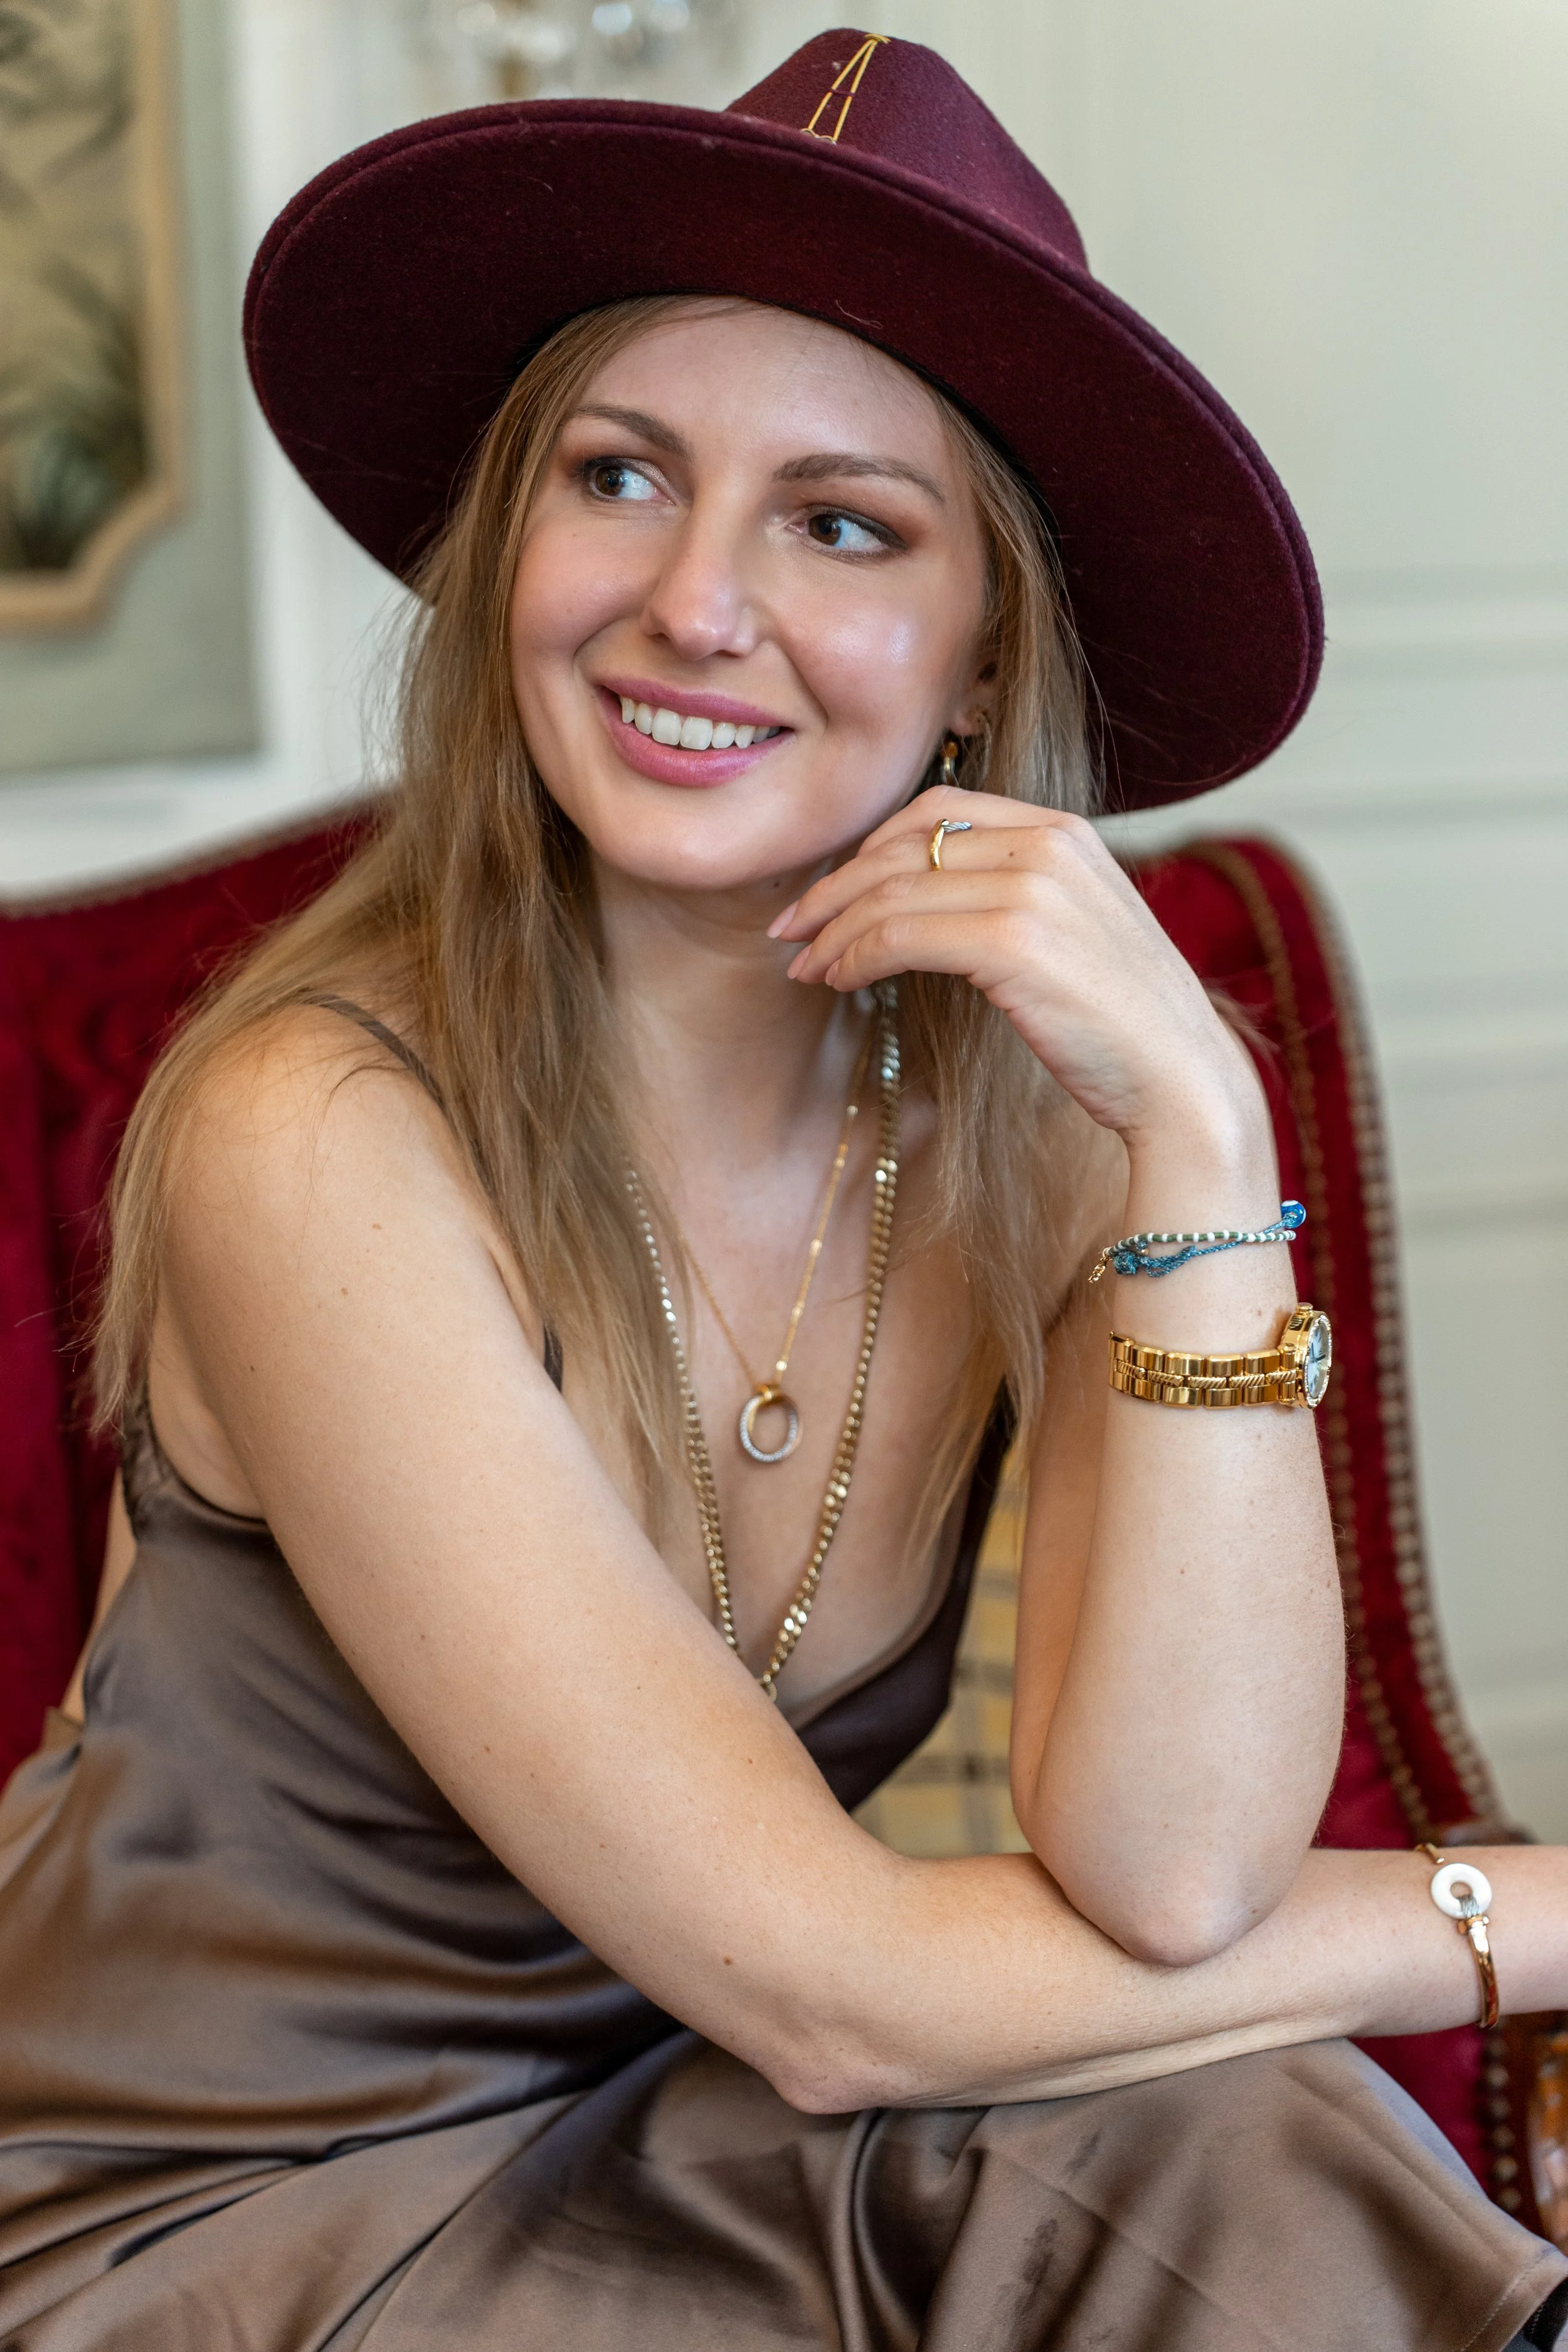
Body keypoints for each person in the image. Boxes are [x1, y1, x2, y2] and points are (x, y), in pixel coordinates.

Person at [1, 28, 1565, 2350]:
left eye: (840, 522)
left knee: (1234, 2133)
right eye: (619, 478)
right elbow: (836, 1998)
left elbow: (1177, 1867)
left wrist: (1202, 1148)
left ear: (980, 656)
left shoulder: (1032, 1141)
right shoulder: (308, 1131)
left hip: (653, 2139)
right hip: (204, 2218)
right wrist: (1524, 1909)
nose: (694, 604)